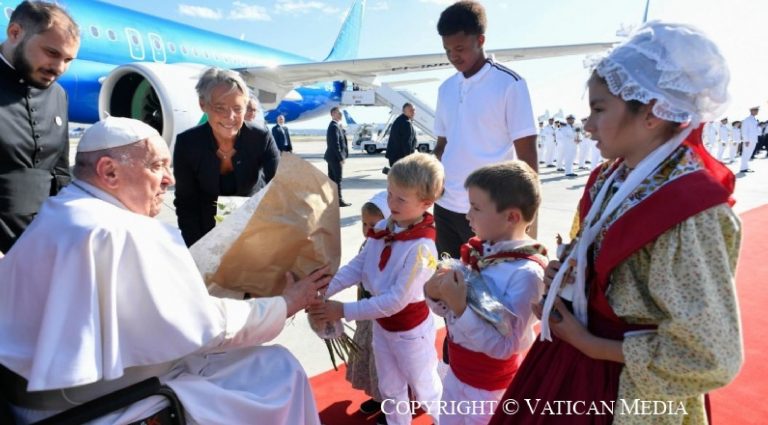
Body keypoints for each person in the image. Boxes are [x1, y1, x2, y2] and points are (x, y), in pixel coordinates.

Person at [489, 22, 743, 425]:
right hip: (571, 357)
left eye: (599, 109)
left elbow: (710, 354)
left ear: (652, 113)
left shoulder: (691, 209)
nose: (588, 125)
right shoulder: (612, 176)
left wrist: (593, 345)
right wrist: (567, 275)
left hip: (628, 388)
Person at [0, 117, 331, 425]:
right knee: (279, 369)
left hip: (38, 401)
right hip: (105, 404)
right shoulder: (121, 230)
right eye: (157, 166)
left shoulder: (59, 211)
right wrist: (286, 303)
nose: (169, 179)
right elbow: (208, 329)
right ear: (109, 172)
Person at [310, 153, 444, 425]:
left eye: (401, 199)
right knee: (390, 388)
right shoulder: (384, 227)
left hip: (410, 334)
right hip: (382, 328)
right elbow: (358, 266)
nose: (391, 203)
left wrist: (343, 310)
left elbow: (395, 301)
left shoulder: (422, 248)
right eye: (390, 193)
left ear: (426, 203)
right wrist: (322, 291)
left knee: (426, 389)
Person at [425, 161, 546, 425]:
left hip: (489, 392)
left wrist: (460, 308)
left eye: (476, 208)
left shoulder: (526, 274)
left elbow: (505, 346)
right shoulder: (480, 250)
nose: (467, 215)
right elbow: (450, 310)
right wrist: (434, 294)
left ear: (511, 217)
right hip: (456, 375)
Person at [433, 0, 538, 259]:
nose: (453, 56)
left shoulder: (510, 84)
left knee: (488, 282)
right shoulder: (446, 89)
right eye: (447, 50)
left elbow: (527, 156)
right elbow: (442, 146)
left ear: (480, 40)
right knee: (447, 278)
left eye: (460, 48)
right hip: (445, 207)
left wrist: (528, 222)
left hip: (489, 212)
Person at [0, 0, 80, 254]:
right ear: (15, 33)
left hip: (42, 240)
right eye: (52, 53)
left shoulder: (58, 95)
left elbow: (60, 171)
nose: (59, 68)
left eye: (68, 59)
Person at [173, 67, 280, 246]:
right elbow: (186, 203)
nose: (230, 117)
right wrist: (197, 248)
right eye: (220, 108)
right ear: (203, 104)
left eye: (237, 109)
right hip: (207, 233)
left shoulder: (261, 138)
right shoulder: (187, 144)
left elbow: (279, 189)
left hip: (254, 230)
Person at [345, 191, 390, 422]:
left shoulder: (394, 248)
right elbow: (355, 271)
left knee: (385, 362)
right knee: (369, 356)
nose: (368, 229)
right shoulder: (367, 244)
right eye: (364, 224)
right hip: (366, 314)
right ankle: (378, 396)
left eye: (374, 224)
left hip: (384, 317)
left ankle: (392, 404)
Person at [325, 106, 351, 207]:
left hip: (332, 157)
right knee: (337, 179)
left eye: (340, 113)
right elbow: (335, 144)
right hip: (335, 158)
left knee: (332, 179)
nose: (340, 115)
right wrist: (341, 158)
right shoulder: (334, 126)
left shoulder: (336, 126)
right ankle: (339, 200)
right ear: (332, 114)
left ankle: (332, 200)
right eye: (338, 113)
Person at [385, 102, 418, 167]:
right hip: (400, 158)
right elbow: (407, 143)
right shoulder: (406, 123)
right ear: (404, 111)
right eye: (411, 110)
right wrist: (409, 159)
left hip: (395, 157)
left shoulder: (400, 120)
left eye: (414, 110)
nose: (413, 112)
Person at [739, 106, 759, 172]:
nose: (757, 111)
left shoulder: (754, 120)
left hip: (753, 139)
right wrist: (746, 140)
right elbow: (744, 131)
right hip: (748, 140)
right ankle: (743, 168)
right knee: (746, 153)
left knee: (749, 154)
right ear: (751, 111)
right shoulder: (747, 120)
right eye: (755, 110)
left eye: (757, 110)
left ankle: (745, 167)